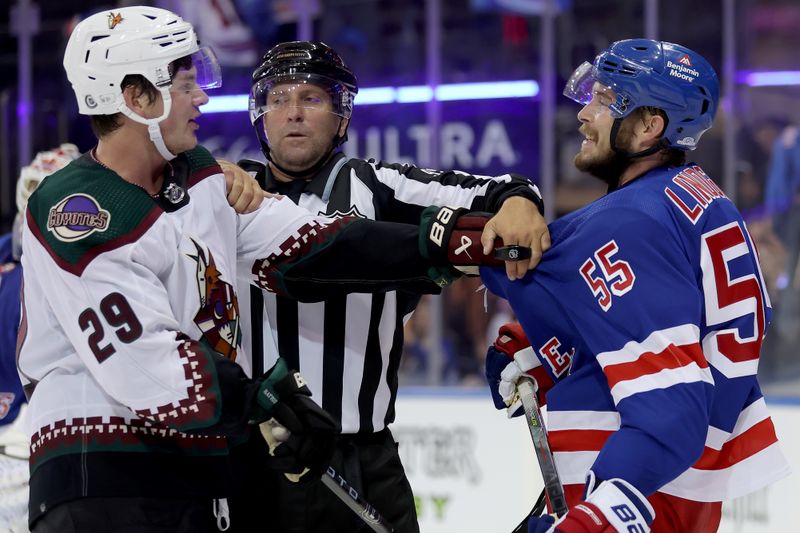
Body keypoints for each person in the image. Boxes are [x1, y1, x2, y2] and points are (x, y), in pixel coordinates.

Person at [17, 7, 523, 533]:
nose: (204, 97)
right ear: (136, 98)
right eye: (187, 83)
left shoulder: (200, 180)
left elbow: (315, 246)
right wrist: (263, 399)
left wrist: (472, 242)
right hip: (101, 477)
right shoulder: (77, 209)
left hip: (196, 475)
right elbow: (146, 365)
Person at [235, 40, 550, 532]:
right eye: (279, 99)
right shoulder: (223, 190)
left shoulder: (378, 185)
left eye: (312, 98)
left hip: (362, 457)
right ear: (261, 114)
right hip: (251, 460)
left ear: (341, 116)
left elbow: (501, 190)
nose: (293, 113)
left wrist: (520, 202)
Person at [482, 39, 791, 533]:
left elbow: (670, 409)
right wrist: (558, 351)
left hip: (632, 492)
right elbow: (684, 330)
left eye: (605, 100)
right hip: (680, 493)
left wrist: (598, 519)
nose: (585, 114)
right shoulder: (698, 196)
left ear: (650, 126)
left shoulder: (631, 222)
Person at [0, 144, 81, 533]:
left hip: (56, 429)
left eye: (46, 187)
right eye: (31, 187)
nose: (36, 198)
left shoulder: (93, 260)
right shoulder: (4, 257)